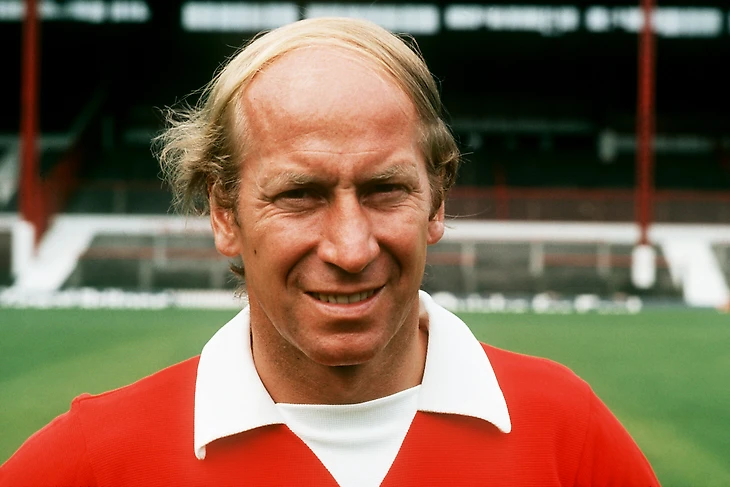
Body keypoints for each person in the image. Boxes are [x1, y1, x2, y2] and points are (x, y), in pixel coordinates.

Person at [0, 17, 660, 486]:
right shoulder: (93, 462)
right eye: (300, 194)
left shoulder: (568, 435)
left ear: (437, 200)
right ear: (224, 212)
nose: (350, 247)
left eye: (385, 190)